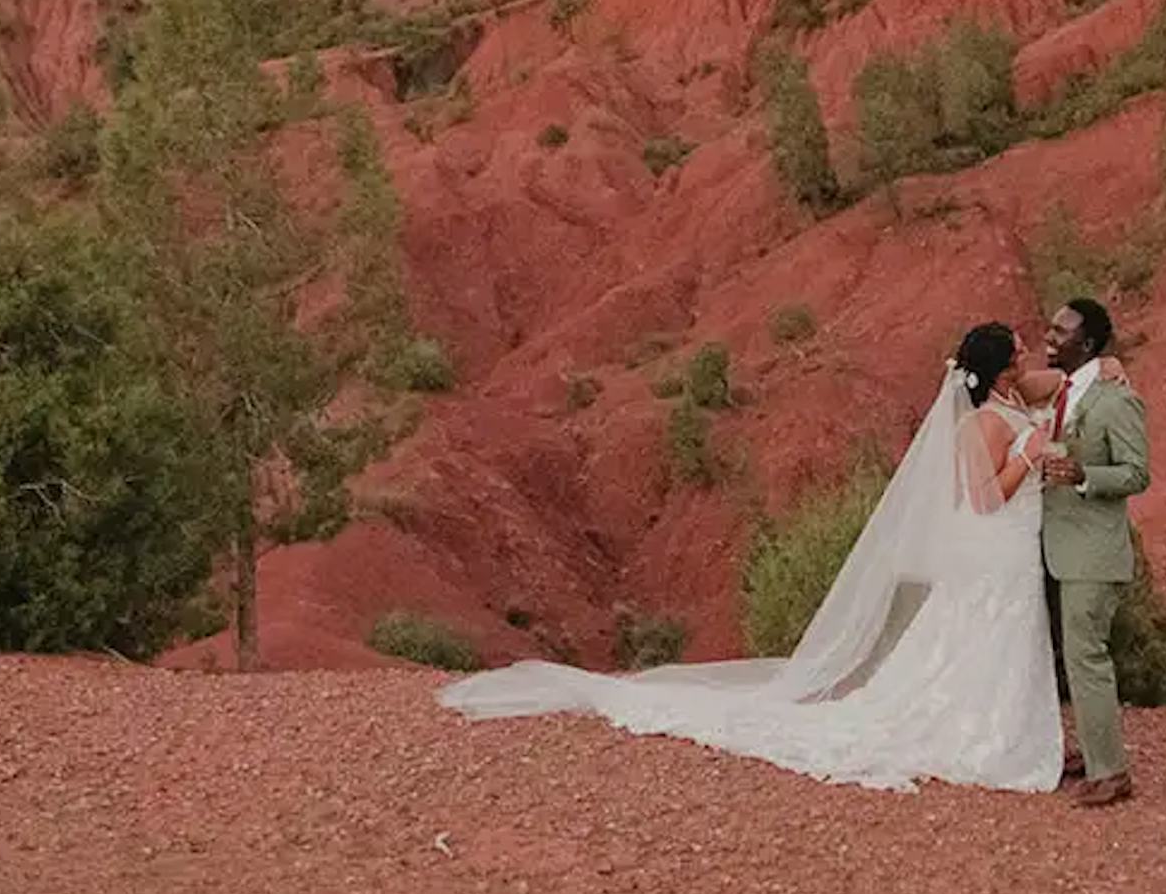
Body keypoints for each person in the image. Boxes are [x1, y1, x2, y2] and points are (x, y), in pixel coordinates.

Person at [438, 324, 1070, 792]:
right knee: (985, 632)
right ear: (1000, 371)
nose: (1028, 352)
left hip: (1007, 551)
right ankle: (980, 729)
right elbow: (985, 500)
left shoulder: (1005, 404)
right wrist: (1031, 453)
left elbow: (1050, 382)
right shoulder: (982, 426)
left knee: (985, 636)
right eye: (1017, 348)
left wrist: (1096, 371)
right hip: (995, 544)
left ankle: (999, 718)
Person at [1035, 295, 1149, 809]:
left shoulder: (1115, 399)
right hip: (1063, 548)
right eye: (1051, 329)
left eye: (1061, 333)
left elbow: (1137, 472)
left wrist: (1085, 477)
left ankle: (1111, 773)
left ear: (1088, 342)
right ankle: (1093, 748)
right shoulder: (1066, 390)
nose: (1050, 338)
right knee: (1076, 657)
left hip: (1095, 555)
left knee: (1088, 658)